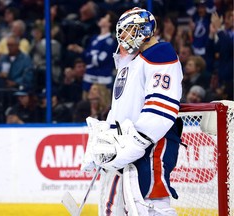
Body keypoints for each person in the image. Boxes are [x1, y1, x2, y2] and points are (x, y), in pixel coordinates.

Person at [81, 7, 183, 216]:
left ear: (143, 30)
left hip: (153, 144)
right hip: (127, 143)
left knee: (152, 204)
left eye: (127, 30)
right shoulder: (129, 62)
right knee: (121, 205)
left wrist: (137, 140)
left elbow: (161, 105)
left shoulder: (160, 54)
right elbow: (120, 107)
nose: (123, 37)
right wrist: (106, 135)